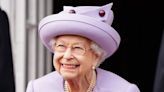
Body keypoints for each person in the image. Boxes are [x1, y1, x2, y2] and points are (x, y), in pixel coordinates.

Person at [26, 3, 140, 92]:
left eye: (77, 48)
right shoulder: (37, 88)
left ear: (96, 56)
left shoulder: (123, 90)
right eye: (61, 46)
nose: (67, 55)